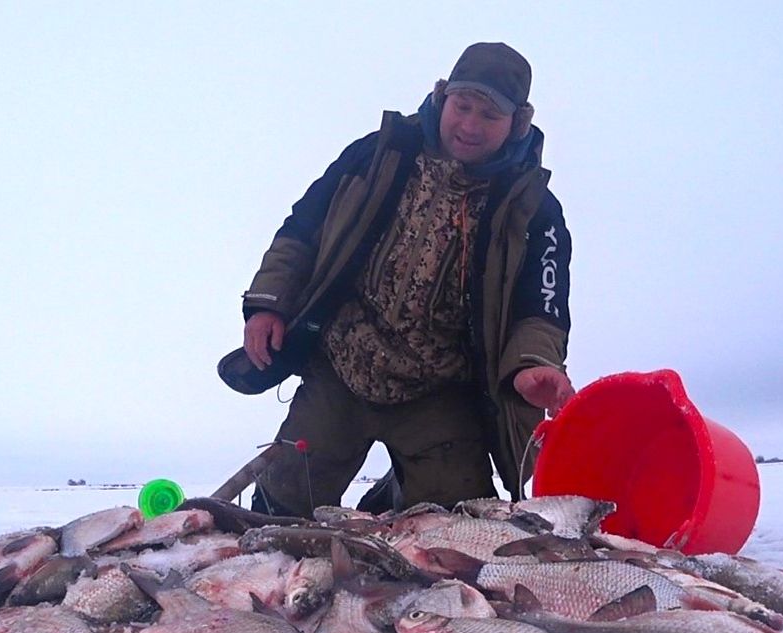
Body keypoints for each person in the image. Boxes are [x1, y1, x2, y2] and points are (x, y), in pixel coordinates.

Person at [226, 42, 574, 516]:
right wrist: (268, 303)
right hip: (340, 367)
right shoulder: (379, 153)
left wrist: (532, 364)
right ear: (442, 97)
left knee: (454, 523)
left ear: (518, 122)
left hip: (440, 392)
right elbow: (303, 227)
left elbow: (543, 307)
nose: (470, 125)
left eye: (489, 115)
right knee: (283, 502)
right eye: (463, 106)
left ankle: (395, 493)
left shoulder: (537, 210)